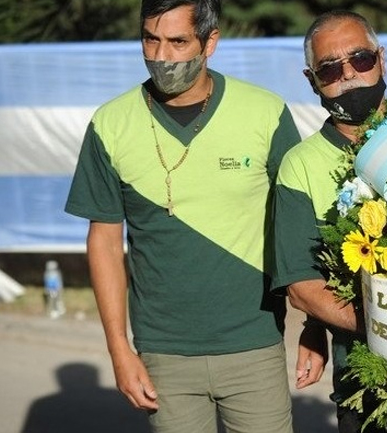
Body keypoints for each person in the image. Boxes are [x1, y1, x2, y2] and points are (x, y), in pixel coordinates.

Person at [64, 1, 302, 432]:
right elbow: (104, 241)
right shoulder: (110, 123)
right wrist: (119, 350)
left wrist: (315, 326)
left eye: (177, 41)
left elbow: (298, 228)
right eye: (150, 39)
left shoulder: (265, 112)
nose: (161, 56)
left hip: (255, 345)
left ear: (210, 42)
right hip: (163, 353)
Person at [271, 10, 387, 433]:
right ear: (312, 80)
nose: (349, 75)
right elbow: (303, 288)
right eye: (330, 69)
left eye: (360, 59)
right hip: (365, 379)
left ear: (381, 59)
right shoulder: (299, 166)